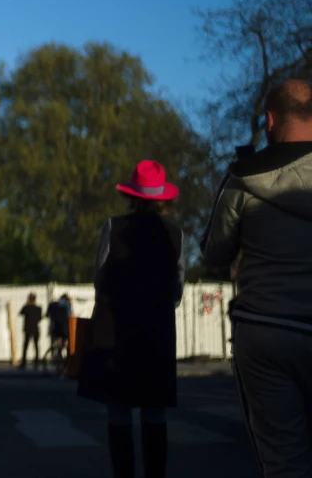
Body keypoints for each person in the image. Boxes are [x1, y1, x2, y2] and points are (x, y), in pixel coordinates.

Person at [204, 78, 312, 478]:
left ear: (269, 119)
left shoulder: (243, 178)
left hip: (267, 330)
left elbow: (214, 251)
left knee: (285, 460)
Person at [78, 160, 184, 478]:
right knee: (155, 413)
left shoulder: (113, 227)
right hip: (156, 333)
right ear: (163, 198)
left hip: (116, 332)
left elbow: (99, 279)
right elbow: (177, 291)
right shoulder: (176, 235)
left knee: (119, 412)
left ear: (132, 195)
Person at [18, 294, 43, 369]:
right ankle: (36, 363)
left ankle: (24, 363)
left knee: (26, 346)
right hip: (35, 328)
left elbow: (21, 313)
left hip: (28, 329)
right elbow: (39, 318)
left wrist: (26, 304)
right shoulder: (38, 308)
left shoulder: (26, 307)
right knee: (36, 345)